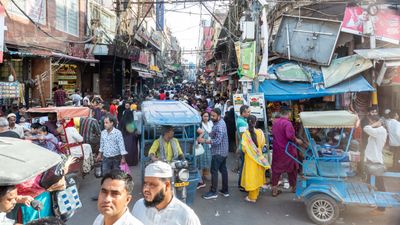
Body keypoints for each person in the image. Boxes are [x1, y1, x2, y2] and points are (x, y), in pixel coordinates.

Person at [132, 161, 201, 225]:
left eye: (152, 185)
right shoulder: (139, 206)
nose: (145, 189)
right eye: (145, 183)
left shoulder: (186, 217)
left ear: (167, 186)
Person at [271, 108, 303, 197]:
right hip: (288, 150)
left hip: (277, 150)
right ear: (288, 114)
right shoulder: (287, 123)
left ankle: (274, 189)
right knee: (293, 169)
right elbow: (290, 136)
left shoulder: (275, 122)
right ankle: (294, 187)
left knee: (276, 170)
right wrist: (297, 140)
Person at [199, 108, 229, 199]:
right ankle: (225, 190)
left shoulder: (219, 125)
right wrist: (206, 135)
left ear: (219, 116)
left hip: (218, 152)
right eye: (211, 115)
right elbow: (212, 133)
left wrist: (204, 140)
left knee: (214, 171)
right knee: (223, 170)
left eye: (213, 116)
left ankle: (213, 192)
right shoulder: (220, 122)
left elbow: (217, 141)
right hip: (223, 151)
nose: (211, 117)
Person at [240, 115, 270, 202]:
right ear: (255, 122)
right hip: (259, 157)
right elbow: (262, 144)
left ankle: (252, 197)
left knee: (251, 176)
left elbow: (244, 149)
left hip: (250, 158)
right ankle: (255, 194)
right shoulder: (260, 132)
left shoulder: (245, 134)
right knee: (257, 176)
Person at [364, 115, 387, 215]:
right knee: (370, 182)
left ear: (375, 121)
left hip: (376, 162)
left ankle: (382, 207)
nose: (370, 123)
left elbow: (366, 128)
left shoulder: (380, 130)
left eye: (371, 121)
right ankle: (375, 201)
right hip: (371, 161)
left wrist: (375, 124)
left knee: (379, 185)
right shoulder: (377, 131)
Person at [196, 112, 213, 189]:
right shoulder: (200, 124)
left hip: (209, 143)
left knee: (208, 159)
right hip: (203, 144)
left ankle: (205, 174)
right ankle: (201, 176)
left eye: (207, 116)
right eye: (204, 116)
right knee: (201, 159)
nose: (206, 117)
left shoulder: (210, 123)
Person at [236, 105, 250, 191]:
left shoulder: (243, 120)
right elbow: (243, 136)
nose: (249, 113)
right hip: (244, 147)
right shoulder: (241, 122)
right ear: (243, 112)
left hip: (243, 146)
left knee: (244, 165)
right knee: (243, 166)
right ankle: (241, 184)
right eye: (248, 112)